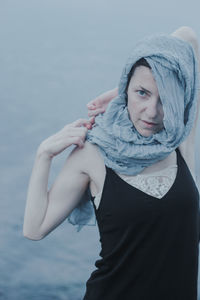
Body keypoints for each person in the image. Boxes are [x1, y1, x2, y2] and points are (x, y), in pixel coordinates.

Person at [23, 26, 200, 300]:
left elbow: (189, 38)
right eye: (142, 93)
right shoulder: (93, 153)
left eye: (164, 97)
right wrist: (43, 155)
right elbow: (34, 229)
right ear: (127, 86)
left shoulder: (177, 138)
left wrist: (128, 88)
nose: (152, 111)